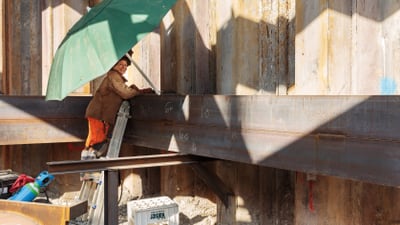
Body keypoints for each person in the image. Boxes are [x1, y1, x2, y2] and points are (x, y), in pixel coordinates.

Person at [82, 51, 153, 160]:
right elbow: (125, 93)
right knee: (96, 141)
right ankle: (89, 164)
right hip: (98, 114)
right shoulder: (113, 75)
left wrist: (140, 91)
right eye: (120, 64)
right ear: (114, 65)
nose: (123, 67)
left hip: (101, 115)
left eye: (125, 65)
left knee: (97, 140)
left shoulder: (116, 77)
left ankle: (90, 163)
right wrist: (139, 92)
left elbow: (124, 90)